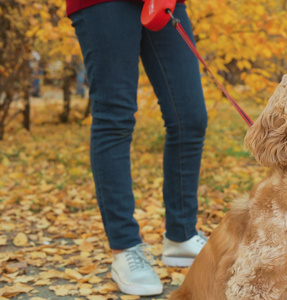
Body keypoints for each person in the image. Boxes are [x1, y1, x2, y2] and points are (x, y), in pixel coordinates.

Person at [67, 0, 208, 296]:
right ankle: (125, 247)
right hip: (102, 4)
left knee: (191, 117)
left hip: (165, 3)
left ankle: (181, 236)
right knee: (114, 117)